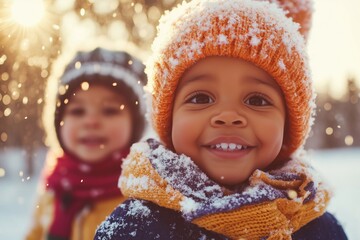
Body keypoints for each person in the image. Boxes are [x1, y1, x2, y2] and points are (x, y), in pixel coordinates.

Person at [95, 0, 348, 239]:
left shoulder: (317, 228)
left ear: (289, 125)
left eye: (257, 100)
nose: (228, 116)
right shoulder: (135, 229)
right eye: (201, 98)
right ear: (169, 119)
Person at [25, 47, 148, 240]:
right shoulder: (55, 189)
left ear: (136, 124)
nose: (91, 122)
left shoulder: (146, 198)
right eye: (77, 111)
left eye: (109, 111)